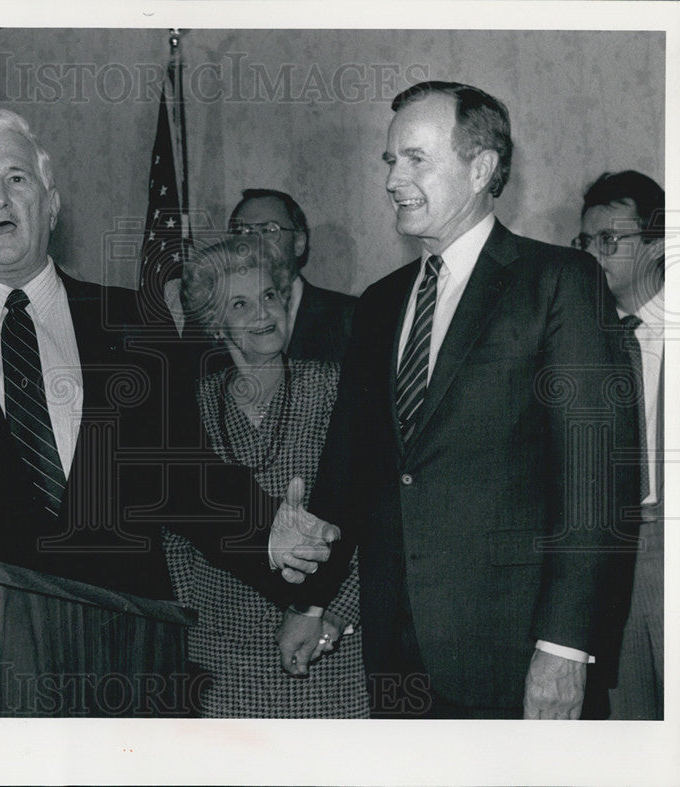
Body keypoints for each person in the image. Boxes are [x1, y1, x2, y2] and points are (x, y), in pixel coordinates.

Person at [0, 109, 337, 602]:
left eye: (18, 179)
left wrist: (265, 536)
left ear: (52, 204)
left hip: (125, 646)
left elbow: (182, 479)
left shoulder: (135, 322)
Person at [297, 82, 639, 718]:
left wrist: (565, 646)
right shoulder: (377, 304)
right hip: (395, 649)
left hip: (513, 651)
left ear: (481, 168)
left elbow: (595, 481)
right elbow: (352, 465)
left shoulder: (560, 283)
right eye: (389, 160)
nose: (394, 178)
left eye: (415, 159)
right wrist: (311, 600)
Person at [165, 237, 368, 717]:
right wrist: (193, 621)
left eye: (270, 296)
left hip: (326, 655)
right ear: (215, 324)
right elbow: (174, 534)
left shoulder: (334, 388)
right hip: (221, 660)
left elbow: (376, 514)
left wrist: (335, 615)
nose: (263, 313)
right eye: (240, 303)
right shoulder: (192, 405)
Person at [577, 170, 665, 719]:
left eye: (610, 240)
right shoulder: (581, 339)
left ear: (657, 245)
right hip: (610, 554)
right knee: (627, 720)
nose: (593, 255)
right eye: (586, 242)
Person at [227, 189, 357, 362]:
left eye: (269, 230)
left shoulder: (351, 316)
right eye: (243, 231)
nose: (254, 242)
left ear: (298, 243)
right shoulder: (214, 318)